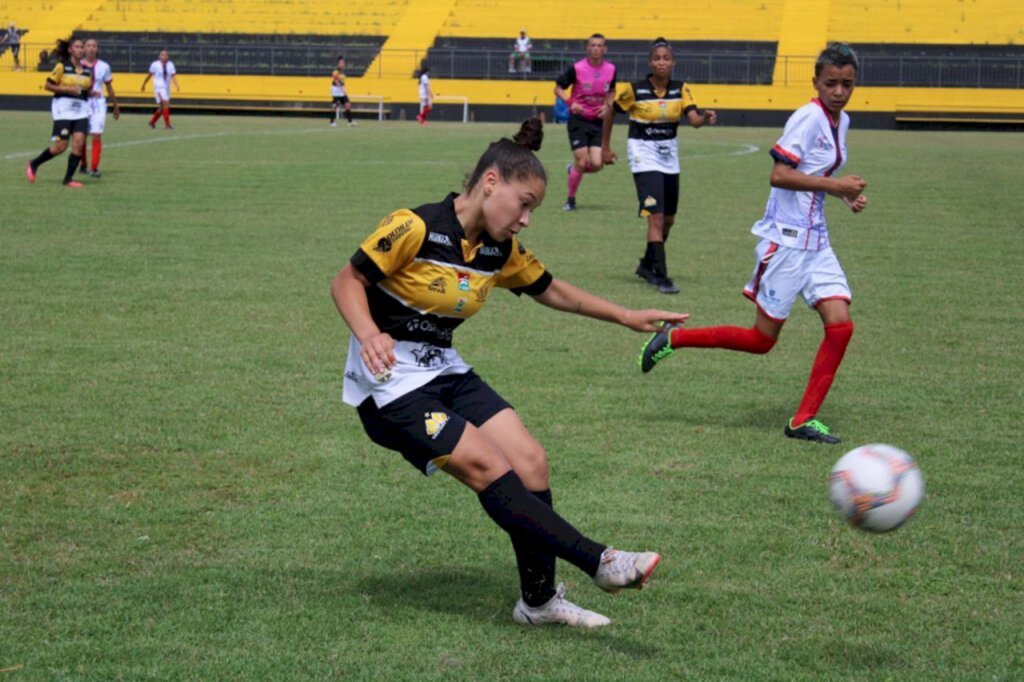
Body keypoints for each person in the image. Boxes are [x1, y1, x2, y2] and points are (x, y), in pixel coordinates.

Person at [331, 118, 687, 627]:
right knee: (487, 467)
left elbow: (553, 290)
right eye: (524, 204)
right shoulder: (414, 226)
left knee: (531, 463)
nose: (526, 219)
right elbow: (347, 280)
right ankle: (600, 561)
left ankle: (538, 603)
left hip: (444, 370)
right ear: (491, 182)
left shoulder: (499, 250)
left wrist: (626, 316)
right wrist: (369, 334)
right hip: (388, 384)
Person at [639, 43, 868, 445]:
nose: (838, 91)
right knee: (762, 340)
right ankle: (672, 339)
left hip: (817, 242)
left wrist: (843, 194)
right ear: (815, 82)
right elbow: (779, 175)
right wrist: (835, 185)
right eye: (830, 82)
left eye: (846, 84)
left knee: (841, 326)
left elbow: (817, 173)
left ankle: (803, 420)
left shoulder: (841, 121)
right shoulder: (808, 118)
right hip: (787, 242)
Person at [601, 38, 717, 295]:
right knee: (654, 217)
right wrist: (605, 147)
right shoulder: (635, 89)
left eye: (666, 58)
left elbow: (694, 119)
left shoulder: (681, 89)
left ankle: (646, 264)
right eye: (657, 58)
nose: (661, 62)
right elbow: (610, 111)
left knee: (668, 220)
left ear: (673, 62)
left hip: (669, 159)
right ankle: (661, 275)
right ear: (650, 62)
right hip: (643, 158)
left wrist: (705, 118)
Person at [554, 33, 616, 211]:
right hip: (578, 121)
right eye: (593, 45)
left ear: (605, 49)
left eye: (600, 45)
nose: (596, 48)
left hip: (598, 122)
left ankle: (572, 170)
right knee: (581, 161)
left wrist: (608, 105)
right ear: (587, 48)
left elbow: (612, 91)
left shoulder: (611, 69)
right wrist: (570, 103)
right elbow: (557, 88)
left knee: (597, 164)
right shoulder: (577, 68)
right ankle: (571, 200)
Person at [25, 37, 93, 188]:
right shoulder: (62, 66)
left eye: (82, 47)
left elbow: (87, 89)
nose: (81, 49)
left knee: (79, 143)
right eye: (77, 47)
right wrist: (67, 89)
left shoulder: (88, 70)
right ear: (70, 49)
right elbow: (48, 86)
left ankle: (68, 179)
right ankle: (34, 163)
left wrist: (92, 94)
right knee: (60, 146)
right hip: (63, 109)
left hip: (81, 110)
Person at [79, 38, 120, 178]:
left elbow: (109, 86)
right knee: (81, 135)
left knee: (96, 134)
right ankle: (83, 164)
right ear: (84, 48)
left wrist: (115, 105)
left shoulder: (104, 66)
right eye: (88, 45)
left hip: (98, 104)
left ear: (97, 49)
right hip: (82, 103)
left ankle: (94, 167)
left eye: (94, 46)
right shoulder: (77, 65)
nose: (91, 48)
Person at [140, 49, 179, 129]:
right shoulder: (155, 65)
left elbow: (173, 76)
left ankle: (152, 122)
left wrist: (176, 85)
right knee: (166, 104)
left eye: (166, 55)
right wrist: (144, 84)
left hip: (167, 88)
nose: (164, 56)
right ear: (159, 56)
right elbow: (149, 75)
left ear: (168, 56)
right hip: (159, 87)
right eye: (162, 55)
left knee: (162, 108)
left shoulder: (170, 65)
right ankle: (167, 125)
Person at [330, 54, 355, 127]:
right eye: (341, 63)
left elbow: (342, 82)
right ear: (338, 64)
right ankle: (332, 122)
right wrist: (341, 88)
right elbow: (336, 81)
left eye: (343, 63)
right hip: (336, 91)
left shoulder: (343, 73)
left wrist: (343, 88)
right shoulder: (335, 72)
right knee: (335, 105)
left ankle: (350, 122)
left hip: (341, 91)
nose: (343, 64)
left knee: (348, 105)